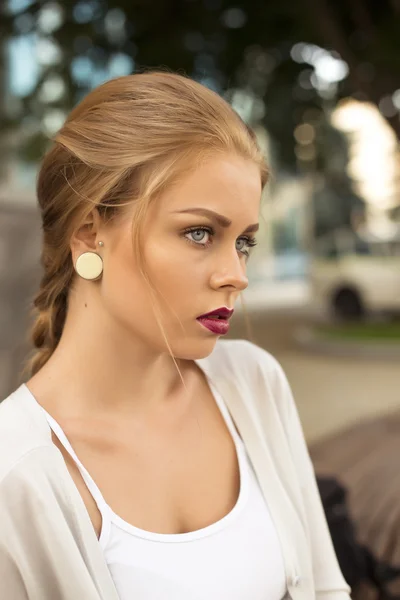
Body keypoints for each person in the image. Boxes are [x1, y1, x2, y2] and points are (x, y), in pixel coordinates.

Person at [0, 71, 351, 600]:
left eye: (245, 242)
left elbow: (326, 590)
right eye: (199, 233)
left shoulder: (253, 384)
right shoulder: (15, 474)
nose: (236, 273)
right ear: (89, 235)